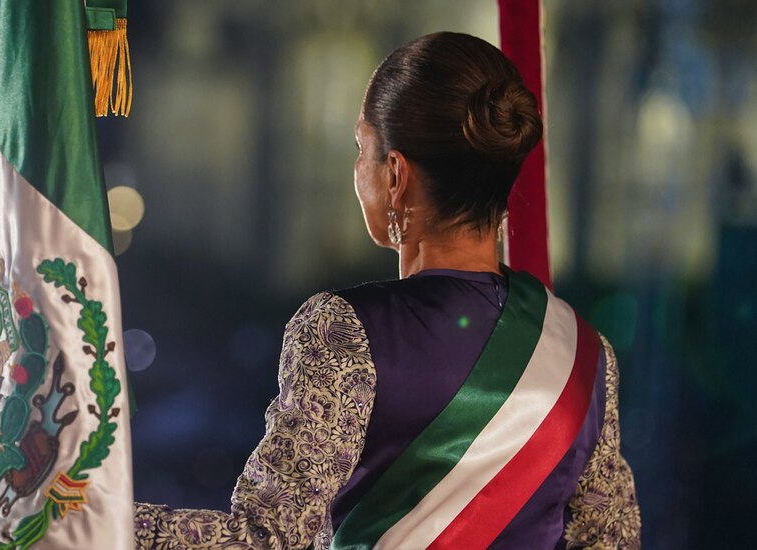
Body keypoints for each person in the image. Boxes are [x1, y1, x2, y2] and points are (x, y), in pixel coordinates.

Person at [133, 32, 640, 549]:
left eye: (362, 149)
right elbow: (612, 539)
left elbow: (268, 539)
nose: (357, 169)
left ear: (396, 174)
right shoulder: (583, 351)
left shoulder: (344, 332)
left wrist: (87, 519)